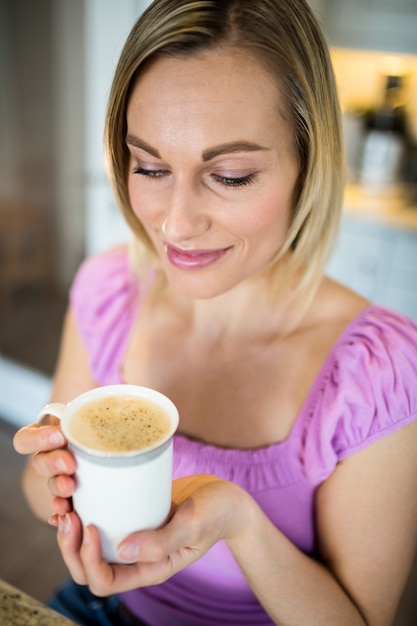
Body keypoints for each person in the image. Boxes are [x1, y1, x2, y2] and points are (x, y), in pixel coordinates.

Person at [13, 0, 417, 624]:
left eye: (228, 176)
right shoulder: (107, 291)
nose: (175, 224)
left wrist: (241, 524)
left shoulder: (377, 372)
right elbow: (39, 492)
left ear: (308, 167)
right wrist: (60, 480)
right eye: (149, 166)